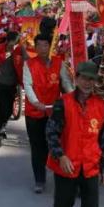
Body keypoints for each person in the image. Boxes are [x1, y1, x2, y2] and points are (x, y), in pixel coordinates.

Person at [46, 61, 104, 207]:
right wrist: (61, 156)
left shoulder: (102, 106)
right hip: (67, 165)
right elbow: (51, 132)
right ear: (76, 79)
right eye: (84, 78)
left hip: (91, 166)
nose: (88, 83)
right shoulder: (63, 103)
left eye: (91, 79)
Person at [23, 34, 74, 193]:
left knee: (56, 145)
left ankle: (63, 176)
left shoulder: (59, 64)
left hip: (53, 113)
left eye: (46, 45)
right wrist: (35, 102)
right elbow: (28, 85)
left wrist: (74, 100)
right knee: (37, 147)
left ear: (49, 47)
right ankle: (40, 179)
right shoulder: (28, 64)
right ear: (36, 47)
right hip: (34, 113)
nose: (43, 49)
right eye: (40, 45)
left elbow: (66, 85)